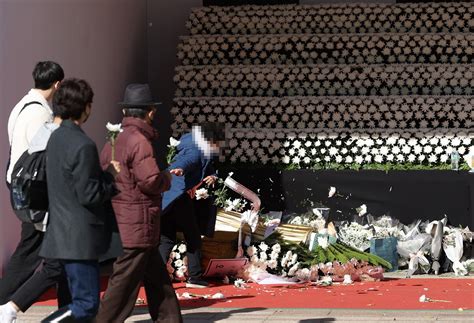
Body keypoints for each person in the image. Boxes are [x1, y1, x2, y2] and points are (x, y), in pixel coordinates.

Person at [95, 83, 182, 323]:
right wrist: (166, 177)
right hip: (139, 224)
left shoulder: (113, 140)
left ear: (125, 112)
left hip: (123, 220)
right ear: (150, 112)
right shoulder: (140, 141)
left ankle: (170, 319)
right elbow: (151, 180)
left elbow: (104, 173)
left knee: (157, 279)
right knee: (122, 285)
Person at [39, 78, 120, 322]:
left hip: (61, 231)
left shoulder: (56, 138)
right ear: (85, 107)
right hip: (80, 236)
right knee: (86, 304)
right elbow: (89, 194)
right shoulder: (83, 144)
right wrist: (110, 178)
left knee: (74, 300)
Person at [0, 61, 68, 322]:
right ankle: (5, 302)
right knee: (31, 253)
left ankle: (68, 306)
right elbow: (46, 154)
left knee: (40, 250)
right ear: (57, 84)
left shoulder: (20, 106)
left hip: (19, 186)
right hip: (36, 192)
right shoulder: (41, 113)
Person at [159, 122, 226, 288]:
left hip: (169, 197)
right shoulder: (197, 148)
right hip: (179, 196)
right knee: (193, 235)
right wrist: (180, 168)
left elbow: (206, 167)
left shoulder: (194, 143)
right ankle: (195, 277)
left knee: (167, 237)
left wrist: (213, 176)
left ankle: (157, 277)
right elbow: (189, 160)